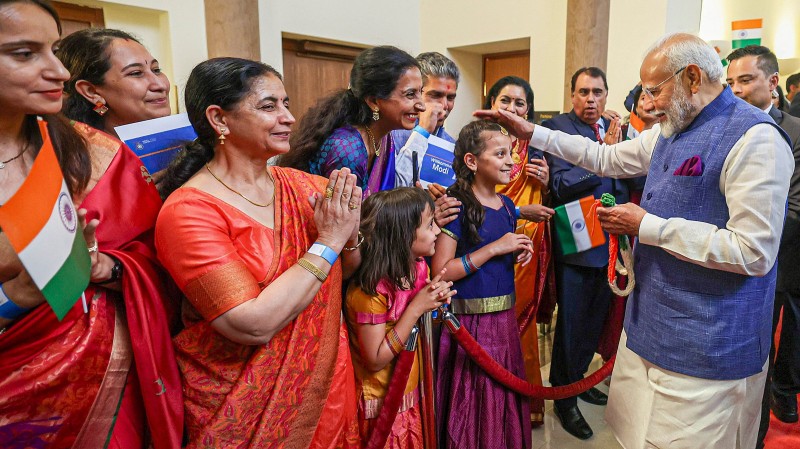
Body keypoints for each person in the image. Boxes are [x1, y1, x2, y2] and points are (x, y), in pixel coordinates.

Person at [477, 32, 794, 449]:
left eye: (654, 89)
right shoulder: (673, 128)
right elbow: (604, 157)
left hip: (707, 346)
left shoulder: (756, 139)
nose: (649, 102)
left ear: (692, 77)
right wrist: (531, 132)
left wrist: (647, 226)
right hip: (650, 326)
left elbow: (753, 251)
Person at [0, 1, 182, 448]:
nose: (58, 71)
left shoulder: (95, 155)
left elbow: (160, 262)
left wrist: (110, 268)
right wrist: (14, 298)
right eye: (25, 53)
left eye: (54, 50)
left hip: (109, 380)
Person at [156, 57, 362, 447]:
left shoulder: (307, 187)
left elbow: (346, 270)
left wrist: (349, 233)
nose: (288, 117)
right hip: (240, 400)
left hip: (324, 386)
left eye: (286, 104)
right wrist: (330, 241)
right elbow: (251, 324)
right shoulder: (189, 211)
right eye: (269, 106)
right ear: (219, 119)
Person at [538, 66, 632, 440]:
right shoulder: (558, 129)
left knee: (595, 321)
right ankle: (564, 397)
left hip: (612, 240)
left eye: (597, 92)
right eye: (583, 92)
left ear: (607, 94)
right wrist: (602, 154)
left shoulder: (616, 127)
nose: (591, 99)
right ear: (572, 95)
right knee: (573, 322)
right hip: (578, 241)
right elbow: (561, 184)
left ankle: (578, 380)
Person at [432, 119, 535, 449]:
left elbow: (499, 256)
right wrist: (494, 249)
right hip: (469, 324)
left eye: (511, 154)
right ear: (472, 161)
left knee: (502, 395)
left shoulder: (507, 206)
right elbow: (441, 271)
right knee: (473, 400)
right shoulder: (457, 204)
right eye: (500, 154)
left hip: (503, 320)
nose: (510, 161)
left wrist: (516, 251)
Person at [725, 44, 800, 448]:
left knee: (775, 342)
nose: (736, 90)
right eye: (730, 82)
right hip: (727, 259)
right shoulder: (723, 127)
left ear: (772, 82)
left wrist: (749, 238)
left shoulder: (795, 131)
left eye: (746, 80)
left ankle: (774, 405)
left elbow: (795, 205)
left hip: (780, 257)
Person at [345, 187, 454, 447]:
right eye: (429, 225)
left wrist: (433, 300)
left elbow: (421, 323)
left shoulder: (417, 267)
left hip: (410, 387)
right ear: (403, 236)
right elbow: (374, 360)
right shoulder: (370, 292)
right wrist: (417, 307)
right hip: (382, 403)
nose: (437, 231)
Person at [481, 76, 556, 427]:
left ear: (528, 110)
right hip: (486, 242)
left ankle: (525, 406)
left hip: (526, 247)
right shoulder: (478, 141)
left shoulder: (536, 147)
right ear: (492, 103)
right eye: (505, 100)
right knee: (488, 324)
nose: (512, 108)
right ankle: (489, 406)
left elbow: (548, 201)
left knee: (520, 323)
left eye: (520, 103)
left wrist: (546, 183)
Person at [279, 46, 423, 197]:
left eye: (421, 92)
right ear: (374, 101)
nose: (422, 106)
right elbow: (350, 212)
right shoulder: (347, 150)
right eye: (410, 94)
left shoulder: (384, 138)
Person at [57, 28, 171, 138]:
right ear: (91, 92)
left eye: (156, 70)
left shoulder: (175, 141)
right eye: (136, 73)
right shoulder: (82, 149)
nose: (160, 85)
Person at [393, 52, 459, 188]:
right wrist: (422, 131)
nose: (444, 105)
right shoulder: (391, 135)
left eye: (450, 98)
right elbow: (393, 189)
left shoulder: (453, 146)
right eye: (435, 95)